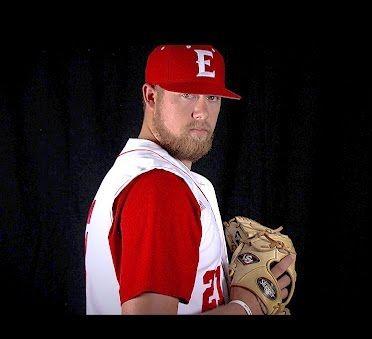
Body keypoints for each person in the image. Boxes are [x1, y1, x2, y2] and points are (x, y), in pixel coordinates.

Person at [84, 44, 295, 315]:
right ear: (151, 96)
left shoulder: (140, 172)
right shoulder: (160, 187)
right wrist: (248, 307)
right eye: (187, 94)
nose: (202, 112)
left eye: (212, 97)